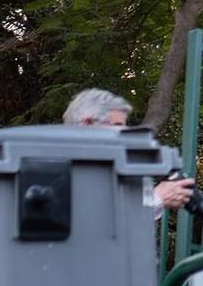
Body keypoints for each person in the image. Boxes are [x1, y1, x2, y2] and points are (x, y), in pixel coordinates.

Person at [64, 87, 193, 213]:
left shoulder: (94, 162)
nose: (124, 132)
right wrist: (158, 198)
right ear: (88, 123)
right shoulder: (65, 165)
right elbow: (97, 220)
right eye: (118, 125)